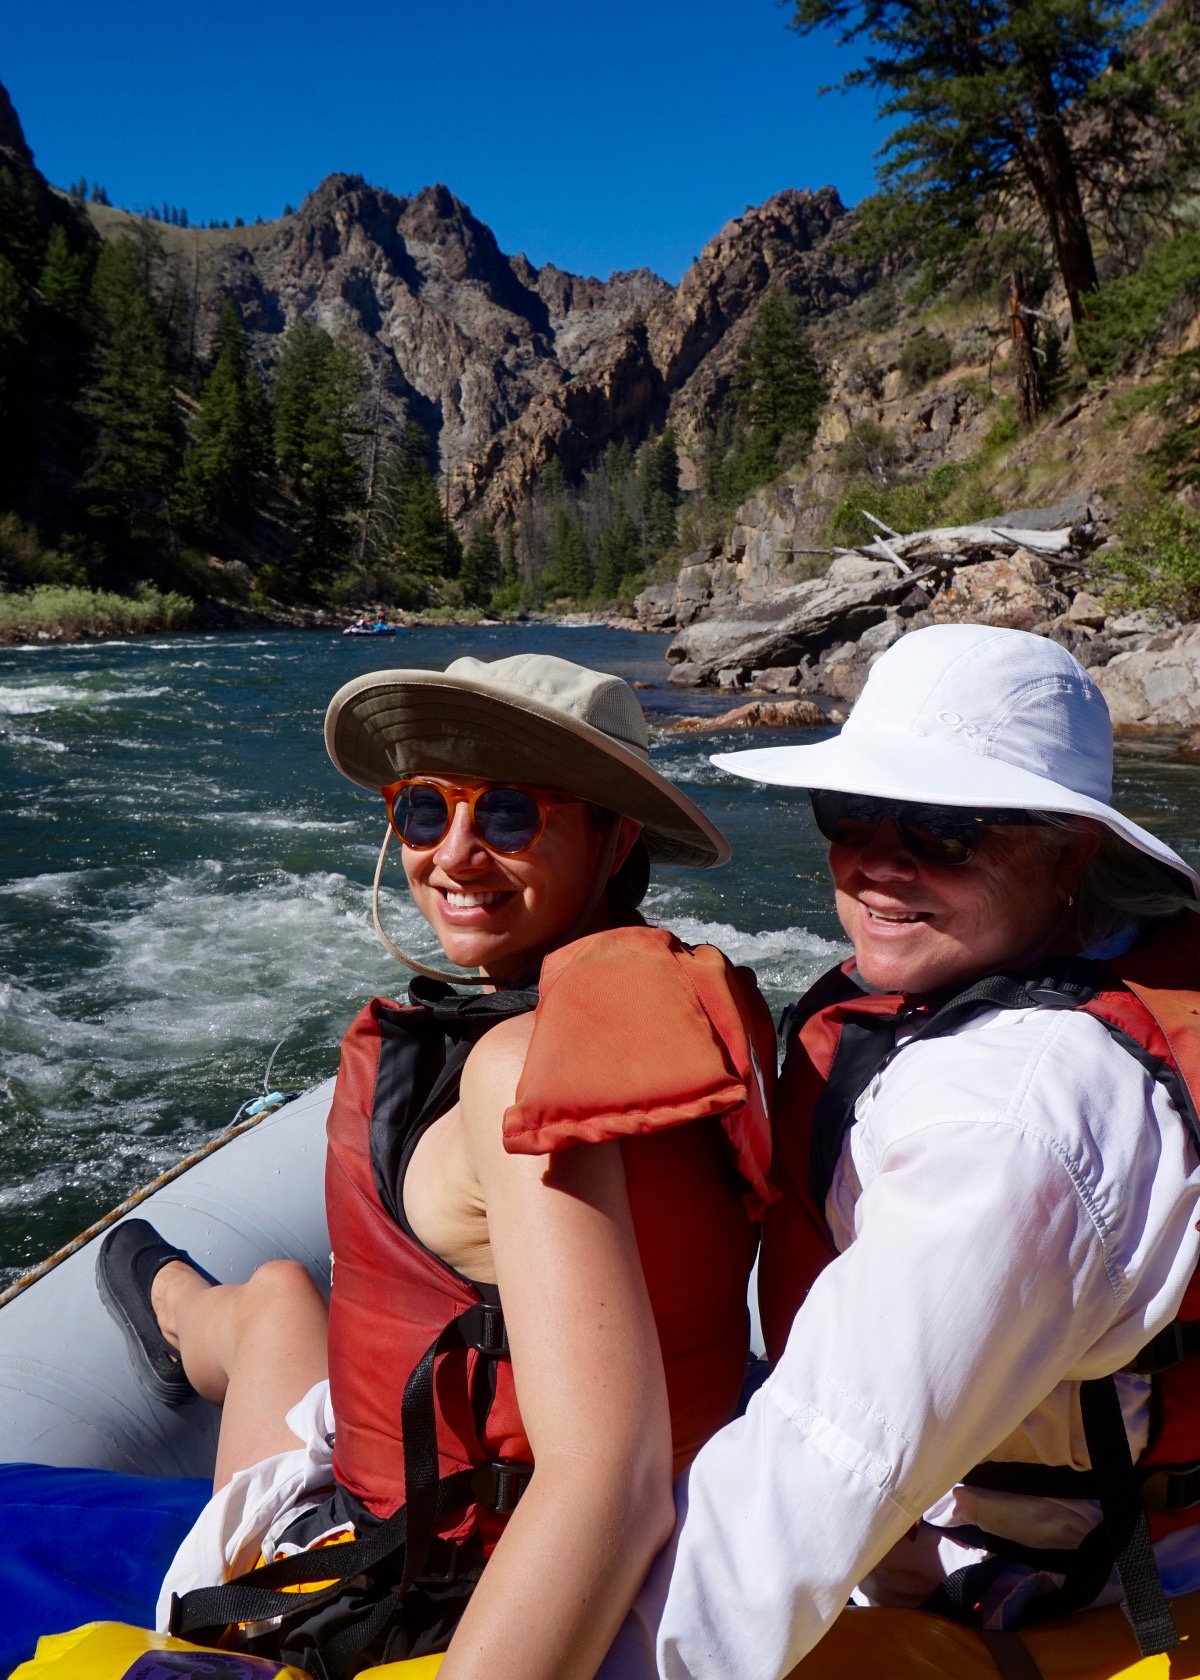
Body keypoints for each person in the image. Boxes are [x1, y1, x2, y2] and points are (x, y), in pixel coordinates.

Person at [96, 653, 775, 1680]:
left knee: (279, 1311)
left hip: (441, 1572)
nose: (454, 855)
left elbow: (608, 1481)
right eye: (424, 810)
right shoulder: (676, 1002)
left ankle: (185, 1309)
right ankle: (180, 1307)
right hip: (441, 1473)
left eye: (508, 815)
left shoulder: (526, 1075)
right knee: (280, 1298)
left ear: (615, 834)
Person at [628, 623, 1200, 1680]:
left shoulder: (1013, 1121)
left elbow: (827, 1463)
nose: (878, 864)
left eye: (944, 828)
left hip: (1049, 1604)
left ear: (1070, 852)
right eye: (850, 813)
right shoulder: (996, 989)